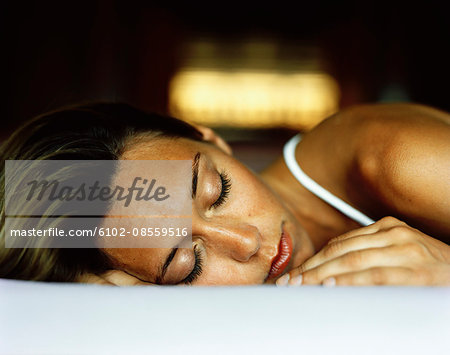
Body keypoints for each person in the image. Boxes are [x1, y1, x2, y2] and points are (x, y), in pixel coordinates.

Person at [1, 102, 449, 286]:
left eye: (219, 192)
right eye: (188, 265)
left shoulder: (398, 163)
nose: (247, 242)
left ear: (210, 139)